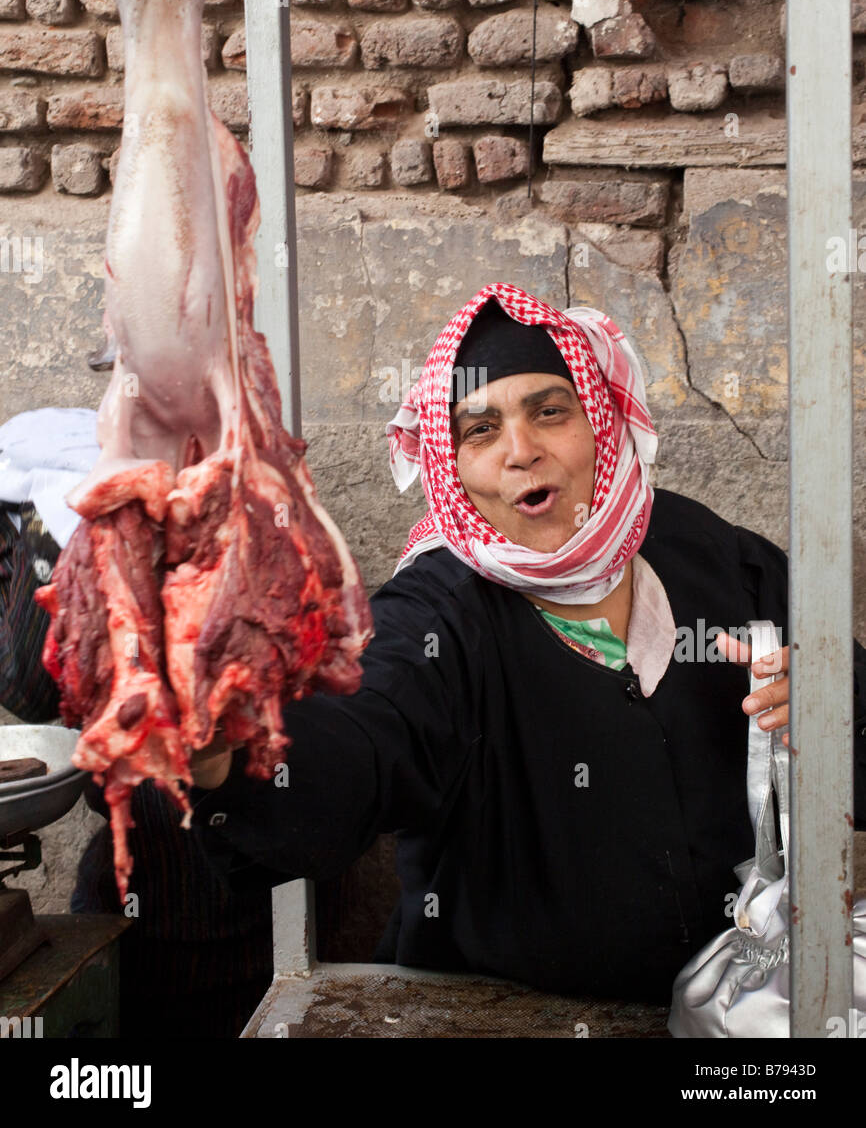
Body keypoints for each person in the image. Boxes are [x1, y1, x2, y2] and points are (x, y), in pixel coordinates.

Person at [187, 282, 866, 1004]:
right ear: (452, 470)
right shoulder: (438, 617)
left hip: (735, 1007)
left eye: (550, 412)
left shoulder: (710, 555)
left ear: (600, 423)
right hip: (495, 1014)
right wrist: (227, 752)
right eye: (480, 431)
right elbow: (361, 738)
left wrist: (831, 709)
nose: (521, 451)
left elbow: (845, 700)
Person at [0, 407, 273, 1039]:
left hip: (242, 898)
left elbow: (27, 683)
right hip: (127, 891)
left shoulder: (199, 547)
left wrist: (47, 551)